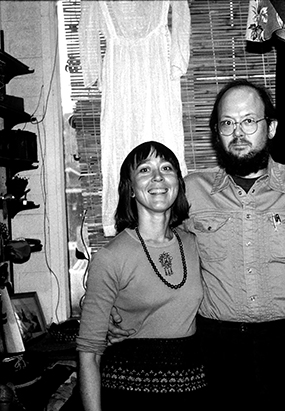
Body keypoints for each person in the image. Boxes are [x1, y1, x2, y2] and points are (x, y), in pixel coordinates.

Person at [108, 79, 285, 408]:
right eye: (227, 123)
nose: (238, 132)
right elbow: (144, 239)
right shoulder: (190, 190)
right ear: (217, 133)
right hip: (215, 350)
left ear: (271, 128)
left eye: (249, 121)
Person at [76, 141, 207, 410]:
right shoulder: (110, 257)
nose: (158, 176)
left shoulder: (196, 244)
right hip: (129, 397)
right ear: (131, 189)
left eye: (166, 168)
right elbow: (89, 353)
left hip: (191, 393)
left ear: (178, 184)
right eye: (145, 170)